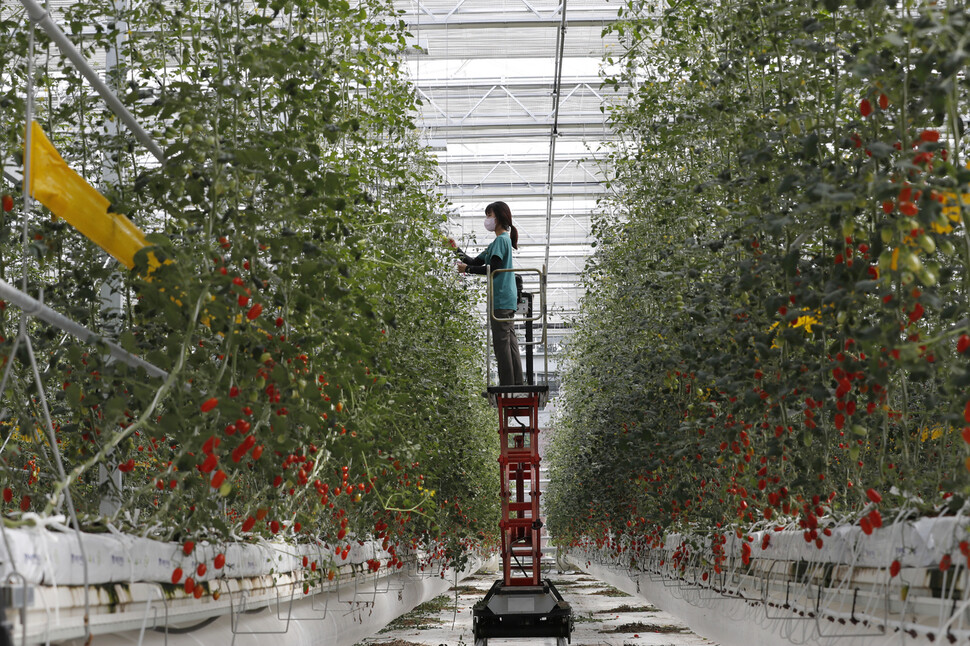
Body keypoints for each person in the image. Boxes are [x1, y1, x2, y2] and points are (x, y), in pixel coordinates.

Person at [455, 201, 524, 386]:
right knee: (510, 342)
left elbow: (493, 268)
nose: (487, 220)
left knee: (502, 345)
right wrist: (455, 249)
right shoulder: (499, 242)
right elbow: (475, 261)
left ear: (499, 217)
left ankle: (508, 386)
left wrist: (467, 269)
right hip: (506, 298)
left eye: (489, 215)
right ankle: (517, 383)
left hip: (501, 299)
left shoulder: (501, 241)